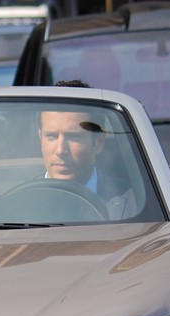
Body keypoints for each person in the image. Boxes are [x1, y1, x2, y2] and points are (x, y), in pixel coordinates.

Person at [36, 86, 134, 219]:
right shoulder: (14, 204)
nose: (60, 150)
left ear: (99, 142)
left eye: (74, 137)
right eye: (52, 136)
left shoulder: (133, 204)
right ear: (40, 139)